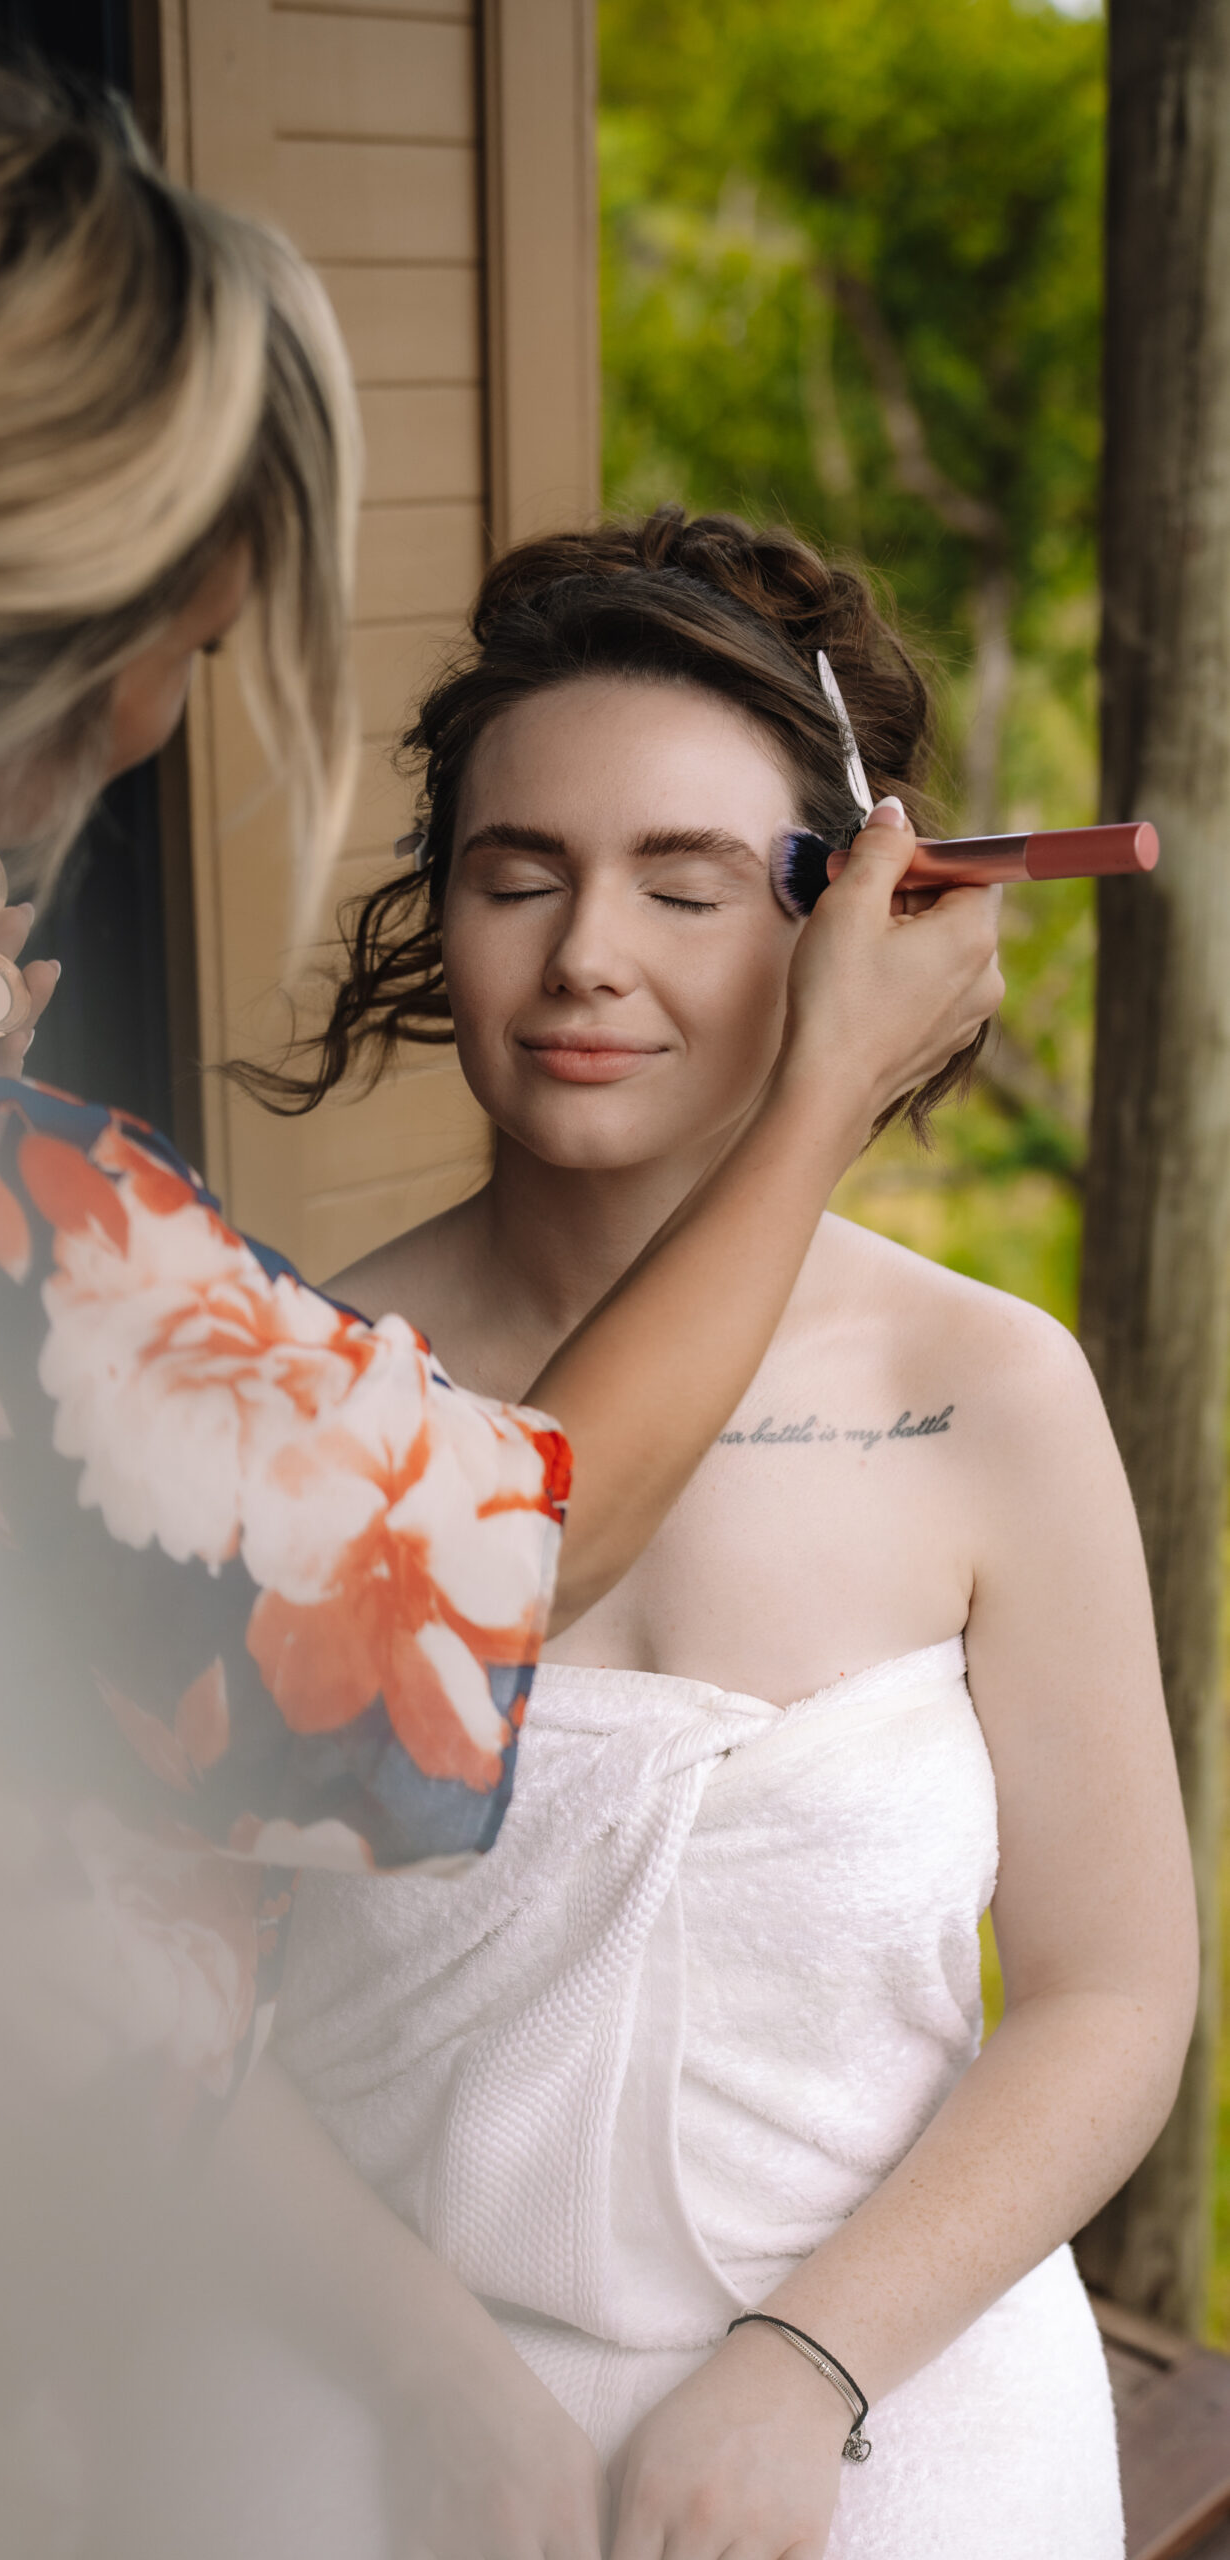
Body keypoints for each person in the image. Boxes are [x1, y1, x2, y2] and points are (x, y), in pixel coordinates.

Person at [0, 50, 999, 2544]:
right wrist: (821, 1092)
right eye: (199, 633)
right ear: (73, 663)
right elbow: (487, 1566)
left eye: (684, 881)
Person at [238, 510, 1199, 2560]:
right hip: (362, 2391)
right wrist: (427, 2380)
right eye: (516, 875)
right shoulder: (292, 1384)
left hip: (889, 2391)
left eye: (682, 887)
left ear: (855, 915)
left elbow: (1112, 1991)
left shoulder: (988, 1391)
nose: (586, 952)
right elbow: (156, 1997)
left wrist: (806, 2364)